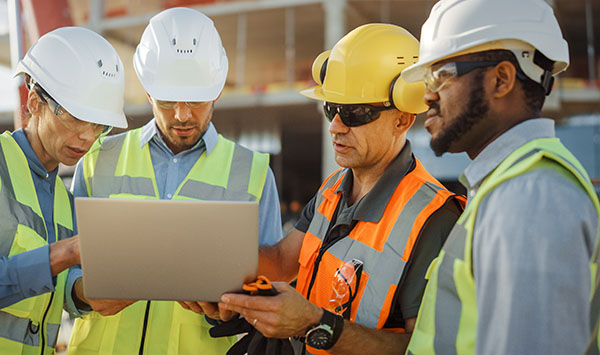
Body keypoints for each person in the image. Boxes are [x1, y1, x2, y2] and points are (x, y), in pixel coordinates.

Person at [216, 24, 465, 355]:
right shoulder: (333, 187)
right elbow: (279, 262)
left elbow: (426, 348)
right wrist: (211, 265)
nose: (335, 126)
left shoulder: (433, 220)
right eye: (331, 109)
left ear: (403, 120)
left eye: (354, 113)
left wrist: (313, 326)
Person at [66, 7, 283, 355]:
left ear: (216, 91)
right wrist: (80, 293)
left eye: (196, 101)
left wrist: (233, 307)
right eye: (167, 101)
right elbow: (62, 267)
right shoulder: (98, 159)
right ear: (149, 93)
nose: (182, 115)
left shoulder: (253, 172)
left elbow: (273, 283)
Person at [397, 0, 600, 354]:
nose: (427, 95)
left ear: (502, 79)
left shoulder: (529, 200)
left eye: (442, 75)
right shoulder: (510, 187)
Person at [0, 26, 127, 353]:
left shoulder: (63, 200)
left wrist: (85, 293)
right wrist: (68, 252)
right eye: (76, 117)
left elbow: (54, 287)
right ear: (33, 102)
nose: (87, 136)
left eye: (99, 125)